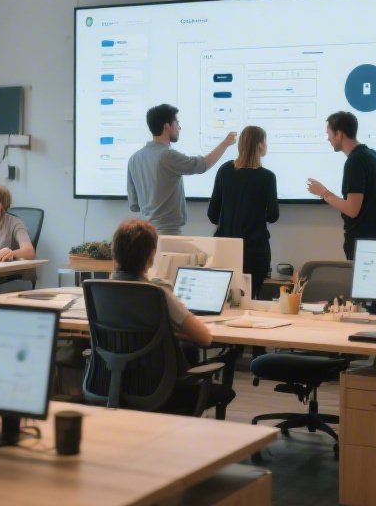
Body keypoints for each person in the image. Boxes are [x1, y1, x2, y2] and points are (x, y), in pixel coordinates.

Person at [127, 103, 237, 235]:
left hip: (146, 232)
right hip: (167, 232)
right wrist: (225, 144)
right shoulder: (167, 155)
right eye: (176, 123)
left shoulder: (134, 158)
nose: (178, 128)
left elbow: (134, 204)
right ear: (167, 126)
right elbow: (202, 165)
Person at [109, 219, 212, 347]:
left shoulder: (102, 292)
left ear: (114, 252)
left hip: (110, 365)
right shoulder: (157, 294)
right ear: (151, 256)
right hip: (153, 366)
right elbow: (205, 338)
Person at [305, 111, 376, 259]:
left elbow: (352, 210)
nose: (328, 139)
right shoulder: (374, 156)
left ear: (339, 133)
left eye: (329, 133)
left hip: (363, 244)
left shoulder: (355, 161)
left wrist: (324, 193)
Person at [207, 125, 279, 297]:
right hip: (255, 250)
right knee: (250, 299)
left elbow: (212, 214)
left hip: (225, 248)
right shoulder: (267, 177)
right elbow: (273, 216)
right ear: (260, 145)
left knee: (224, 298)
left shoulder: (224, 170)